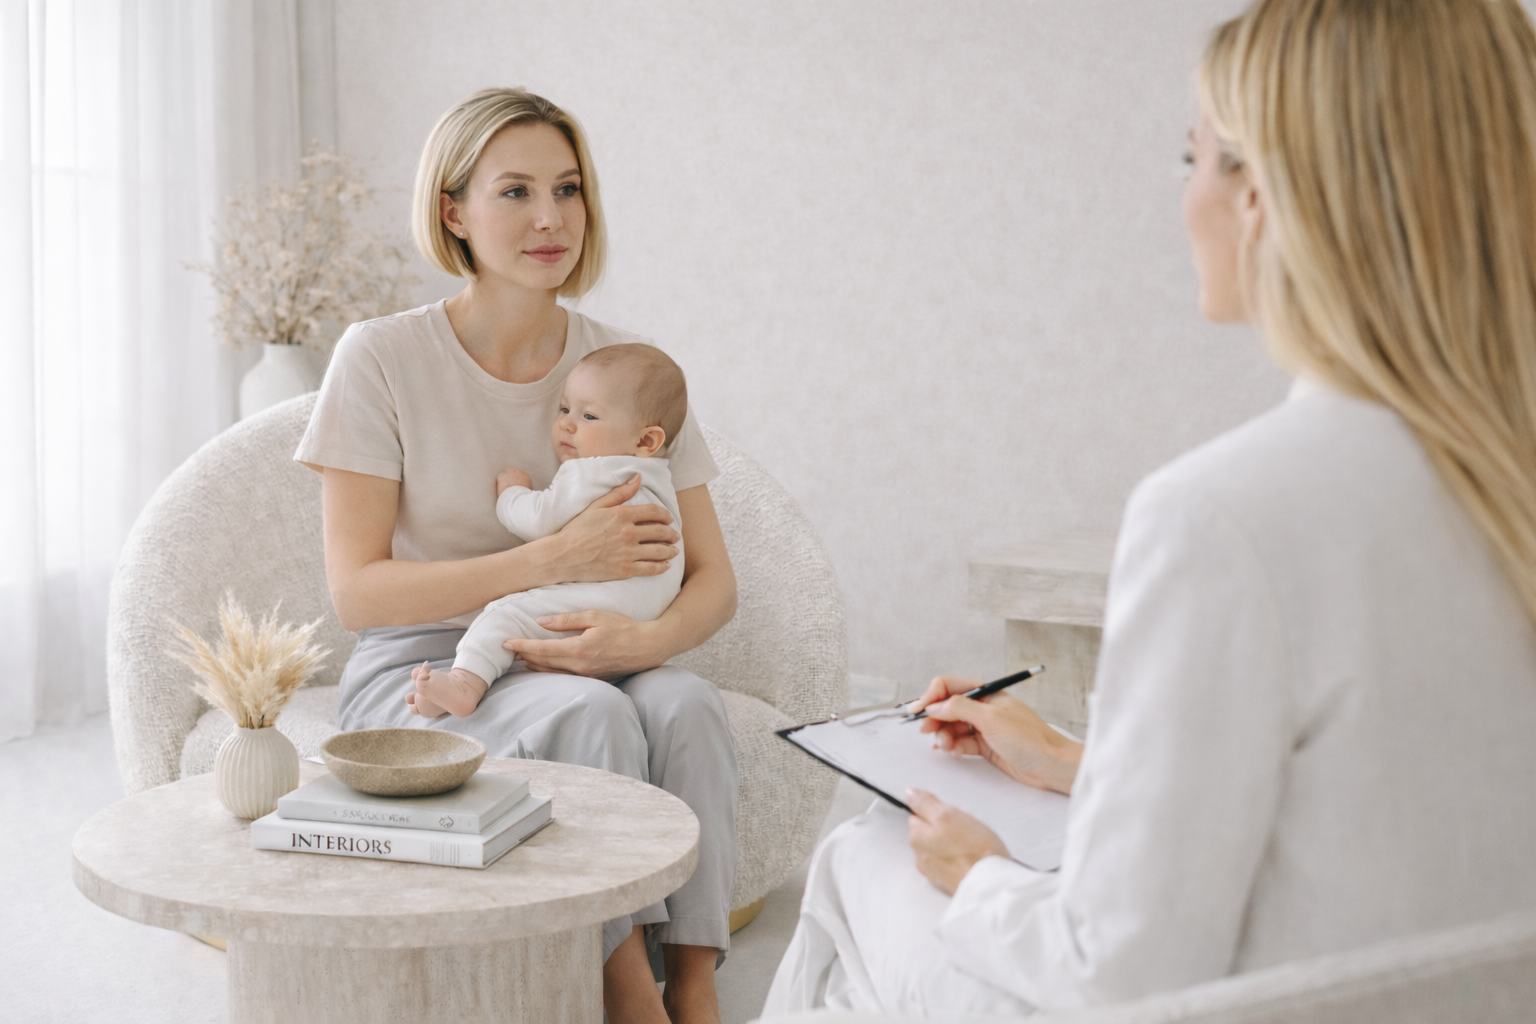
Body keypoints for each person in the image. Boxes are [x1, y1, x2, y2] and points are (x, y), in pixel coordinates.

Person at [764, 0, 1536, 1016]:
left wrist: (981, 876)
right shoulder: (1497, 480)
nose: (1185, 198)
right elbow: (1372, 816)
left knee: (865, 854)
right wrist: (1074, 763)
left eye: (1192, 158)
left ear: (1263, 195)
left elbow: (1118, 971)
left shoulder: (1221, 518)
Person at [295, 88, 736, 1024]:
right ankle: (626, 994)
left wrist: (634, 645)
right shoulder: (379, 358)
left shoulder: (626, 366)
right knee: (588, 713)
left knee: (690, 703)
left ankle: (695, 985)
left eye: (569, 189)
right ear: (454, 211)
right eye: (516, 191)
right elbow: (358, 596)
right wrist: (548, 560)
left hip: (591, 646)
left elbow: (714, 582)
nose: (551, 219)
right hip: (430, 665)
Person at [410, 344, 690, 719]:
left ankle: (463, 684)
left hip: (609, 596)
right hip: (648, 607)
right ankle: (456, 688)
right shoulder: (659, 478)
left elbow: (540, 520)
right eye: (564, 409)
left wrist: (513, 493)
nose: (567, 424)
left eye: (589, 415)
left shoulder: (595, 470)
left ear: (644, 441)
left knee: (505, 615)